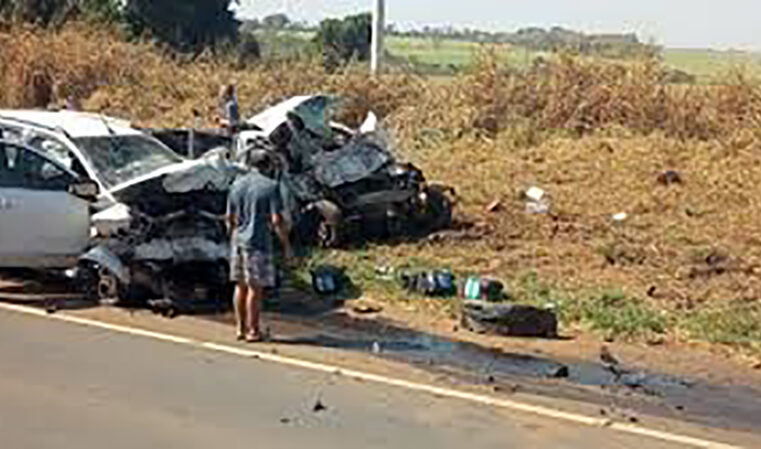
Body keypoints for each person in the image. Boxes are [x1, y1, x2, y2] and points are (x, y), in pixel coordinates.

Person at [227, 150, 291, 342]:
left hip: (238, 241)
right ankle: (253, 331)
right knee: (255, 288)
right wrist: (286, 245)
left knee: (240, 286)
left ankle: (240, 328)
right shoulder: (271, 187)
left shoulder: (236, 185)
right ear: (268, 165)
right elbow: (276, 220)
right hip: (258, 243)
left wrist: (234, 236)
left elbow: (229, 219)